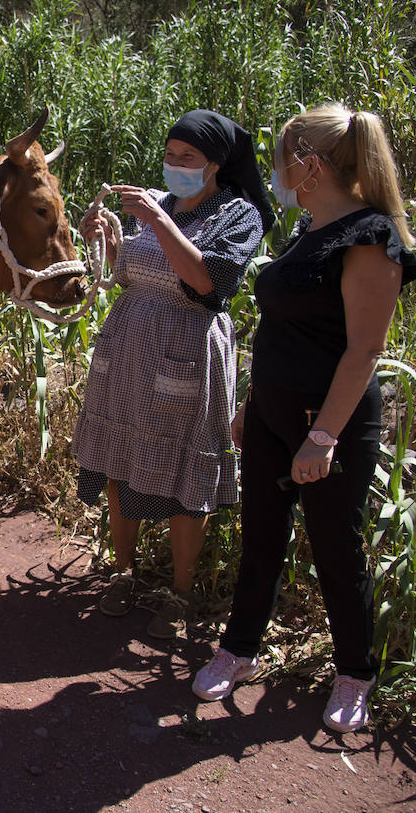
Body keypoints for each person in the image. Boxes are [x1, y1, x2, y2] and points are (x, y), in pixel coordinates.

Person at [192, 104, 416, 733]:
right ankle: (239, 649)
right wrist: (252, 405)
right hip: (272, 412)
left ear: (310, 166)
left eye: (281, 160)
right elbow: (283, 329)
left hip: (331, 423)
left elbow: (364, 349)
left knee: (336, 549)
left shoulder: (372, 238)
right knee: (261, 536)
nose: (275, 172)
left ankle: (356, 672)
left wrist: (323, 435)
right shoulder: (309, 235)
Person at [74, 109, 272, 640]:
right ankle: (124, 572)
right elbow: (126, 273)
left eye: (188, 159)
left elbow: (205, 281)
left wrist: (158, 222)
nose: (174, 166)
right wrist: (108, 242)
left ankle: (180, 593)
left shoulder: (238, 214)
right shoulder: (155, 205)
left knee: (186, 470)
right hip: (128, 348)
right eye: (169, 156)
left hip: (188, 348)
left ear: (216, 164)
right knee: (121, 458)